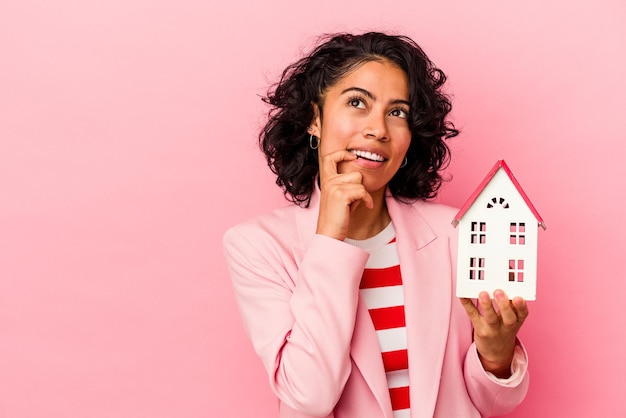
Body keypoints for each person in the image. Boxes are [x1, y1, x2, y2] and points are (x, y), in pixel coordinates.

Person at [223, 32, 529, 418]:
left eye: (397, 112)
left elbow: (488, 404)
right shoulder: (257, 246)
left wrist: (497, 356)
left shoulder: (454, 234)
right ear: (315, 119)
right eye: (356, 103)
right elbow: (310, 396)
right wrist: (330, 240)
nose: (378, 129)